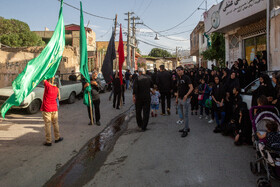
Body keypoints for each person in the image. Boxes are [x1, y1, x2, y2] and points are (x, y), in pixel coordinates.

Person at [41, 77, 63, 146]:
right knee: (55, 123)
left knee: (47, 124)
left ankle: (48, 141)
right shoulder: (55, 88)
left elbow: (43, 79)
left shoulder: (48, 86)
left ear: (49, 80)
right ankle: (57, 138)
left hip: (47, 108)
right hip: (54, 108)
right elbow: (58, 91)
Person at [176, 66, 194, 138]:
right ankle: (186, 127)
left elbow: (191, 87)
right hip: (180, 98)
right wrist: (177, 98)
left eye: (179, 70)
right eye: (177, 70)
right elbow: (178, 89)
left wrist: (186, 95)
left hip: (186, 99)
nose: (178, 72)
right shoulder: (178, 78)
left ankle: (186, 130)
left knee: (186, 115)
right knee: (182, 114)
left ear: (182, 70)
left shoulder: (186, 77)